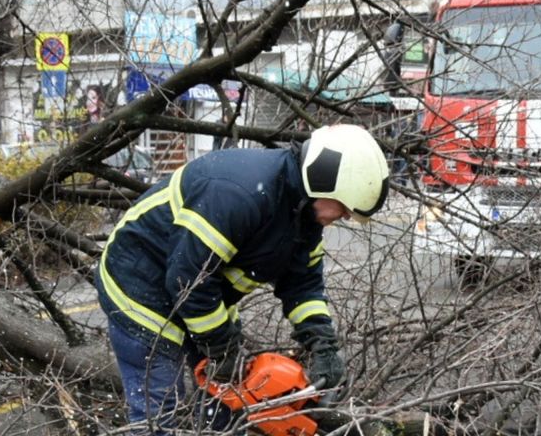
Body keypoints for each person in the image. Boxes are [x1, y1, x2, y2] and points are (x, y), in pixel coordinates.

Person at [96, 124, 390, 434]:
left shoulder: (304, 215)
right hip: (140, 286)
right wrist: (221, 347)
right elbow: (188, 279)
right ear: (324, 182)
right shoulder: (238, 194)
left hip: (204, 296)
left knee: (228, 404)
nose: (345, 217)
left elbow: (302, 284)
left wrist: (322, 343)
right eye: (344, 208)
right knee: (160, 408)